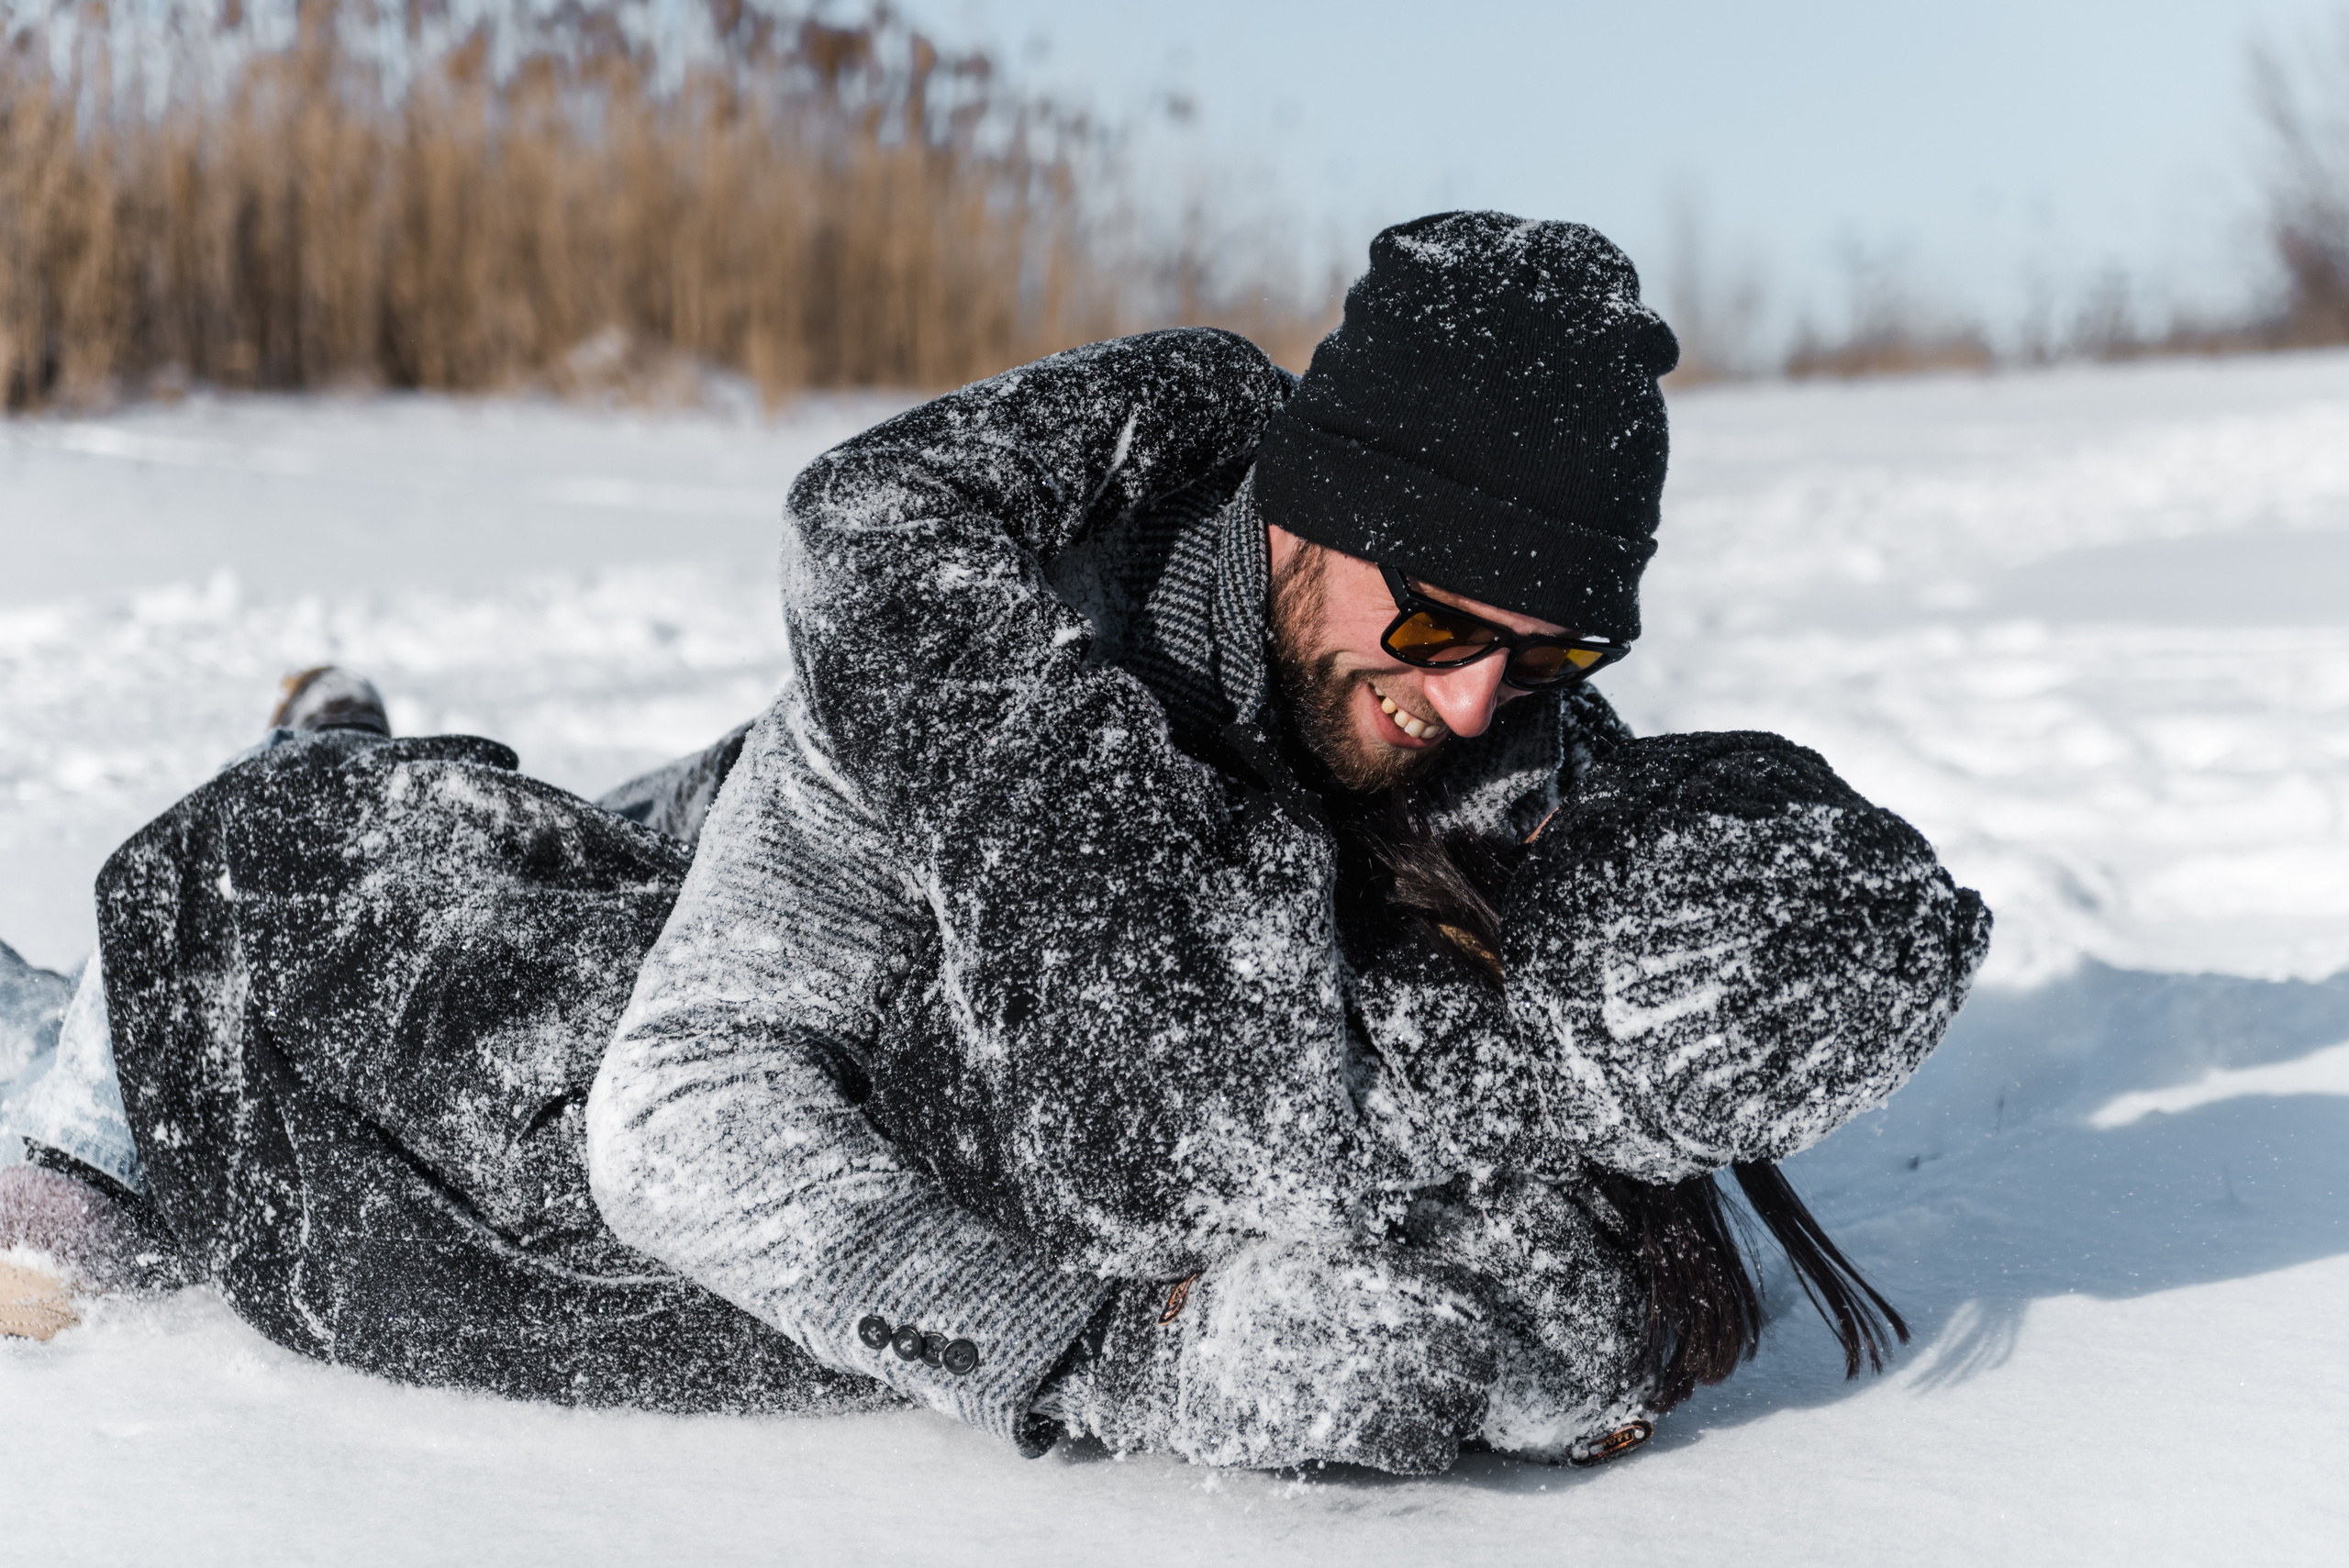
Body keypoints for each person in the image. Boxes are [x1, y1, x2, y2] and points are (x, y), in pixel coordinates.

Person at [0, 213, 1988, 1473]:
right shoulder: (991, 674)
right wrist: (1116, 1359)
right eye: (1438, 624)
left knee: (575, 851)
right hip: (629, 1027)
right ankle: (110, 1022)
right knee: (328, 923)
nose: (1477, 698)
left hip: (733, 894)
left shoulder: (1497, 737)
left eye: (1551, 645)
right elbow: (681, 1119)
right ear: (1297, 518)